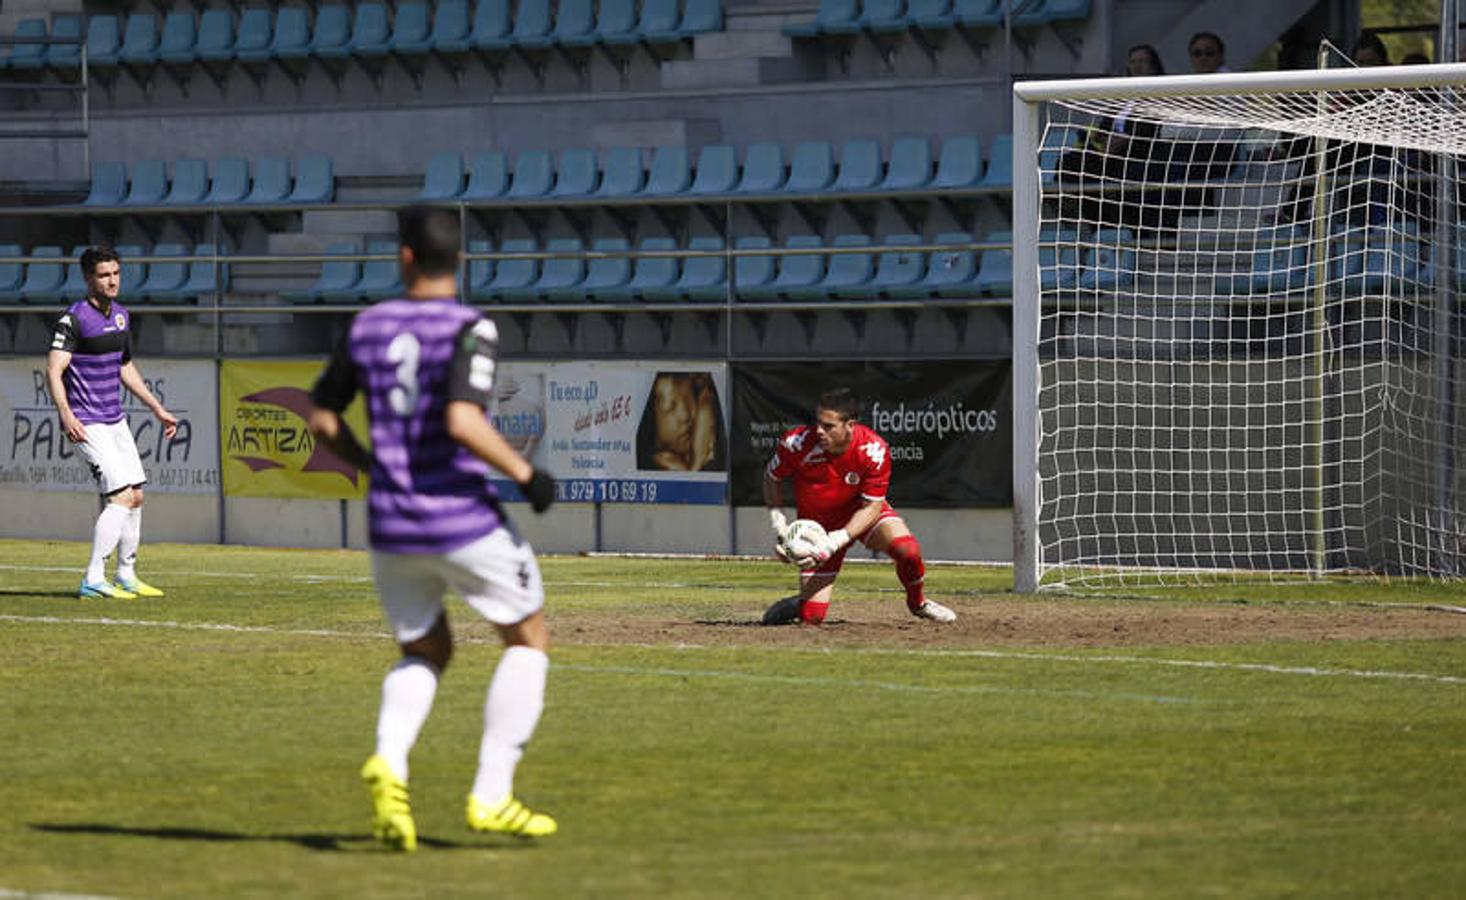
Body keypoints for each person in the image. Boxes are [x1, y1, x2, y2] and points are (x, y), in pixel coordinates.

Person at [307, 205, 560, 853]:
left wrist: (370, 467)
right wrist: (526, 475)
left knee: (426, 650)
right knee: (528, 637)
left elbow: (321, 421)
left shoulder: (368, 324)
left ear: (405, 257)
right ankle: (492, 794)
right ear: (461, 262)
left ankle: (390, 761)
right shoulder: (470, 325)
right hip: (460, 517)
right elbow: (462, 422)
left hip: (391, 525)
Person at [760, 388, 956, 626]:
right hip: (818, 527)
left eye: (829, 426)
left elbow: (872, 507)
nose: (819, 431)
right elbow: (772, 478)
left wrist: (836, 541)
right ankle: (801, 603)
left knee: (908, 551)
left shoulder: (873, 449)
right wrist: (779, 524)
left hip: (861, 513)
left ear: (850, 425)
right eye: (818, 423)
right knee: (812, 619)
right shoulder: (796, 443)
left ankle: (918, 603)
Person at [46, 246, 178, 600]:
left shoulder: (121, 316)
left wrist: (156, 408)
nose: (112, 280)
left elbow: (125, 367)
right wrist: (65, 413)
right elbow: (54, 370)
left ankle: (126, 575)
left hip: (115, 420)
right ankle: (92, 578)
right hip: (86, 422)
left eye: (116, 273)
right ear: (88, 278)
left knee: (135, 496)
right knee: (119, 496)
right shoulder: (72, 319)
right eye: (104, 275)